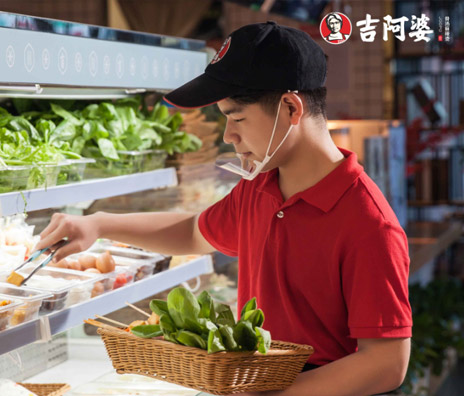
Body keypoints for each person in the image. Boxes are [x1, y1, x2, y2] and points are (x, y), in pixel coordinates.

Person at [36, 21, 412, 396]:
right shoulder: (260, 188)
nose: (228, 136)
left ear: (291, 107)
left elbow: (386, 363)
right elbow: (193, 232)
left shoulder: (367, 223)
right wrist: (98, 224)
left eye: (237, 118)